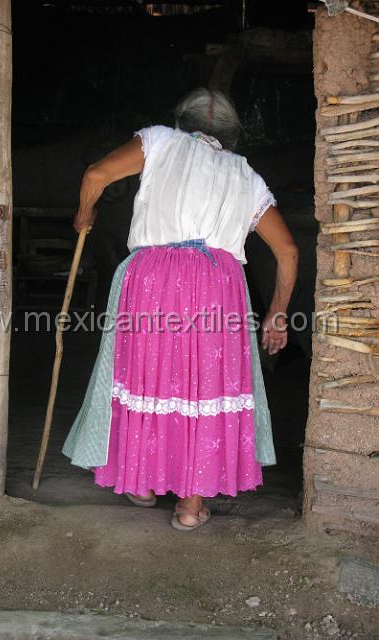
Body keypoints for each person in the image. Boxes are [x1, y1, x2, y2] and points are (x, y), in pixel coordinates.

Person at [63, 88, 298, 530]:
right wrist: (278, 313)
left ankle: (143, 484)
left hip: (152, 279)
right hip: (217, 285)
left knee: (148, 375)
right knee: (203, 386)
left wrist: (83, 215)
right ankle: (191, 507)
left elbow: (96, 175)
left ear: (180, 121)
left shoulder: (159, 141)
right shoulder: (246, 175)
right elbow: (287, 250)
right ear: (230, 135)